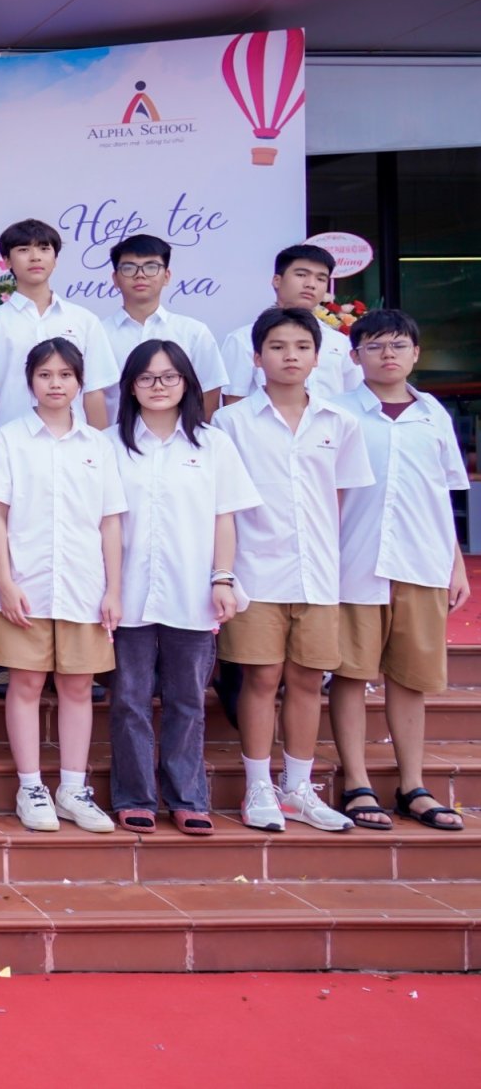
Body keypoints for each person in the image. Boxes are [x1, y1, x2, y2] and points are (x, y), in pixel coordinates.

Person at [211, 307, 375, 832]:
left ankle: (298, 788)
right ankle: (259, 786)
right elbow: (222, 504)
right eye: (278, 347)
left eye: (302, 347)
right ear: (257, 357)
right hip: (255, 571)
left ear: (318, 357)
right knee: (261, 678)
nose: (290, 357)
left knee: (306, 679)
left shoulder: (339, 422)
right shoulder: (231, 422)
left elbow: (341, 499)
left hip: (319, 574)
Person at [108, 340, 261, 836]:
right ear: (131, 386)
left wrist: (223, 577)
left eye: (169, 377)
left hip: (192, 590)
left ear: (187, 384)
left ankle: (188, 796)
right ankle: (135, 796)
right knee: (129, 699)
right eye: (147, 377)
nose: (159, 386)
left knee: (187, 700)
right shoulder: (107, 445)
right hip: (127, 593)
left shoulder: (212, 445)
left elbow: (224, 518)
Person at [331, 310, 471, 832]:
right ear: (355, 356)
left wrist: (455, 564)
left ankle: (413, 785)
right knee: (351, 674)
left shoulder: (434, 415)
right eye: (374, 346)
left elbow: (442, 494)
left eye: (398, 345)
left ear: (415, 354)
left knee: (411, 678)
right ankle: (357, 782)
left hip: (421, 562)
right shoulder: (338, 413)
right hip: (355, 561)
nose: (387, 354)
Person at [0, 339, 127, 834]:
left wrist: (113, 589)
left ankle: (72, 788)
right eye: (45, 375)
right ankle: (30, 786)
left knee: (77, 686)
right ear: (30, 382)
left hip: (84, 585)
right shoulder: (10, 439)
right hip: (25, 584)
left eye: (65, 375)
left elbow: (110, 521)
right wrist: (4, 580)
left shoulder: (98, 445)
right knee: (25, 683)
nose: (55, 384)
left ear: (80, 382)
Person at [0, 218, 118, 460]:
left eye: (44, 249)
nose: (35, 257)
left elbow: (93, 392)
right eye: (23, 250)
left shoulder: (84, 320)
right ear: (7, 261)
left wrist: (100, 457)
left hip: (75, 449)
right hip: (12, 450)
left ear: (55, 259)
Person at [100, 234, 229, 421]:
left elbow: (209, 394)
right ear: (115, 278)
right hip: (114, 437)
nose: (140, 275)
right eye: (129, 268)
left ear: (166, 276)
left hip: (181, 437)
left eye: (151, 267)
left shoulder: (193, 332)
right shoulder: (98, 334)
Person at [222, 243, 364, 406]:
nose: (311, 284)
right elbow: (234, 403)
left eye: (321, 278)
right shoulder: (243, 339)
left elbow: (354, 397)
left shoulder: (339, 342)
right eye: (301, 274)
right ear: (277, 280)